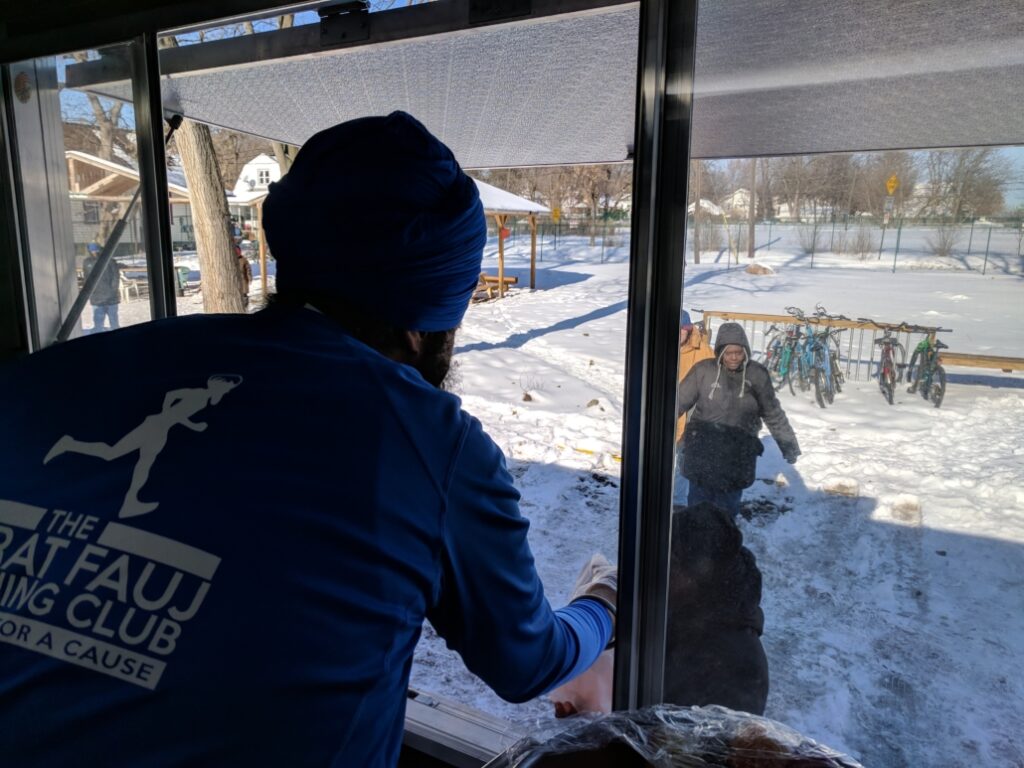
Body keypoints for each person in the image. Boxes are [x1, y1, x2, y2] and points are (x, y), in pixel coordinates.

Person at [0, 112, 615, 768]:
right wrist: (604, 604)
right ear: (429, 324)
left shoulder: (58, 373)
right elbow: (529, 662)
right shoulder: (426, 442)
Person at [677, 321, 800, 517]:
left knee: (726, 516)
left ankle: (724, 544)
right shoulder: (704, 371)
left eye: (738, 352)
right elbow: (678, 402)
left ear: (746, 351)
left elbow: (772, 412)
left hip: (736, 458)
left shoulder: (756, 374)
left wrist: (788, 444)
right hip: (702, 453)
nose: (733, 357)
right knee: (697, 514)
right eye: (728, 352)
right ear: (720, 352)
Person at [673, 309, 715, 503]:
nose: (676, 333)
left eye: (680, 329)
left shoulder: (702, 351)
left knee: (683, 462)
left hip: (689, 417)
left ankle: (677, 503)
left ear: (688, 329)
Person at [82, 238, 121, 332]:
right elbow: (87, 279)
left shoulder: (109, 261)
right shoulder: (87, 262)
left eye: (95, 250)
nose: (94, 252)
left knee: (112, 322)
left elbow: (116, 277)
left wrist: (112, 290)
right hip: (99, 297)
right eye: (92, 250)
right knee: (100, 323)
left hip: (108, 297)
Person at [236, 243, 252, 307]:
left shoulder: (244, 260)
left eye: (238, 251)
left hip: (243, 279)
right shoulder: (232, 260)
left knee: (244, 294)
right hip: (235, 281)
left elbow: (248, 269)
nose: (237, 253)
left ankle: (245, 306)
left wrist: (249, 277)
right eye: (236, 251)